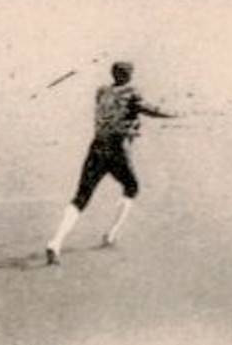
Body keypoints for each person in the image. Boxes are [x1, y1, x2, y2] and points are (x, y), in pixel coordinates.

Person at [44, 61, 172, 266]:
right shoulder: (132, 92)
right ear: (129, 75)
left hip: (96, 147)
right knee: (132, 187)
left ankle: (55, 241)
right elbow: (149, 110)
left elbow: (116, 111)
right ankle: (111, 233)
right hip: (117, 149)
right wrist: (173, 114)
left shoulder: (101, 92)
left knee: (81, 197)